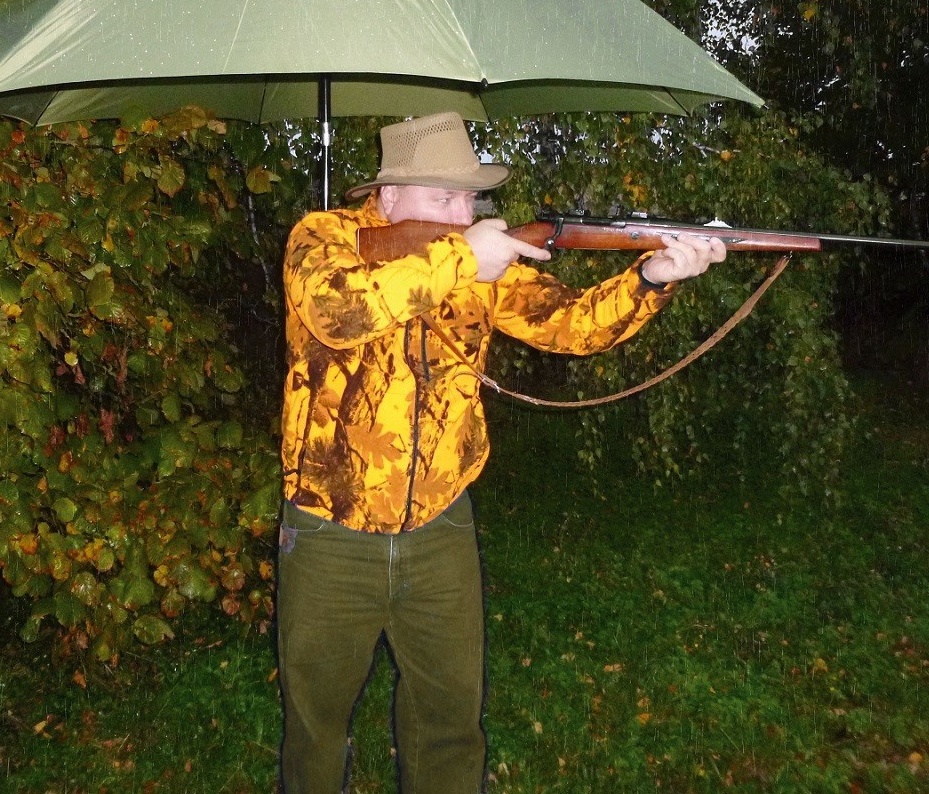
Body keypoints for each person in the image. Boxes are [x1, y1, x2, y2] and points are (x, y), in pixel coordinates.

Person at [276, 111, 725, 793]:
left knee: (450, 721)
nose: (462, 214)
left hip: (441, 526)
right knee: (315, 728)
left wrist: (652, 277)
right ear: (390, 196)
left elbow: (571, 326)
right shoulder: (324, 238)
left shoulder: (486, 256)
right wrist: (460, 259)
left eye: (469, 199)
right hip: (327, 530)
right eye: (443, 197)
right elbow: (337, 315)